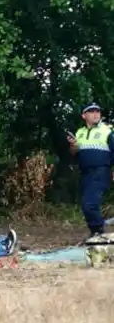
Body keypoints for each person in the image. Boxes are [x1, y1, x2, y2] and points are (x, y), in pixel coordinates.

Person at [67, 102, 114, 238]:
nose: (96, 114)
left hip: (101, 171)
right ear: (84, 115)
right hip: (85, 173)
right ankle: (95, 232)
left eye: (97, 111)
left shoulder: (107, 131)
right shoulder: (80, 132)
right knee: (86, 204)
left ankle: (99, 232)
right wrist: (73, 145)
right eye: (92, 111)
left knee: (90, 203)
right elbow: (74, 153)